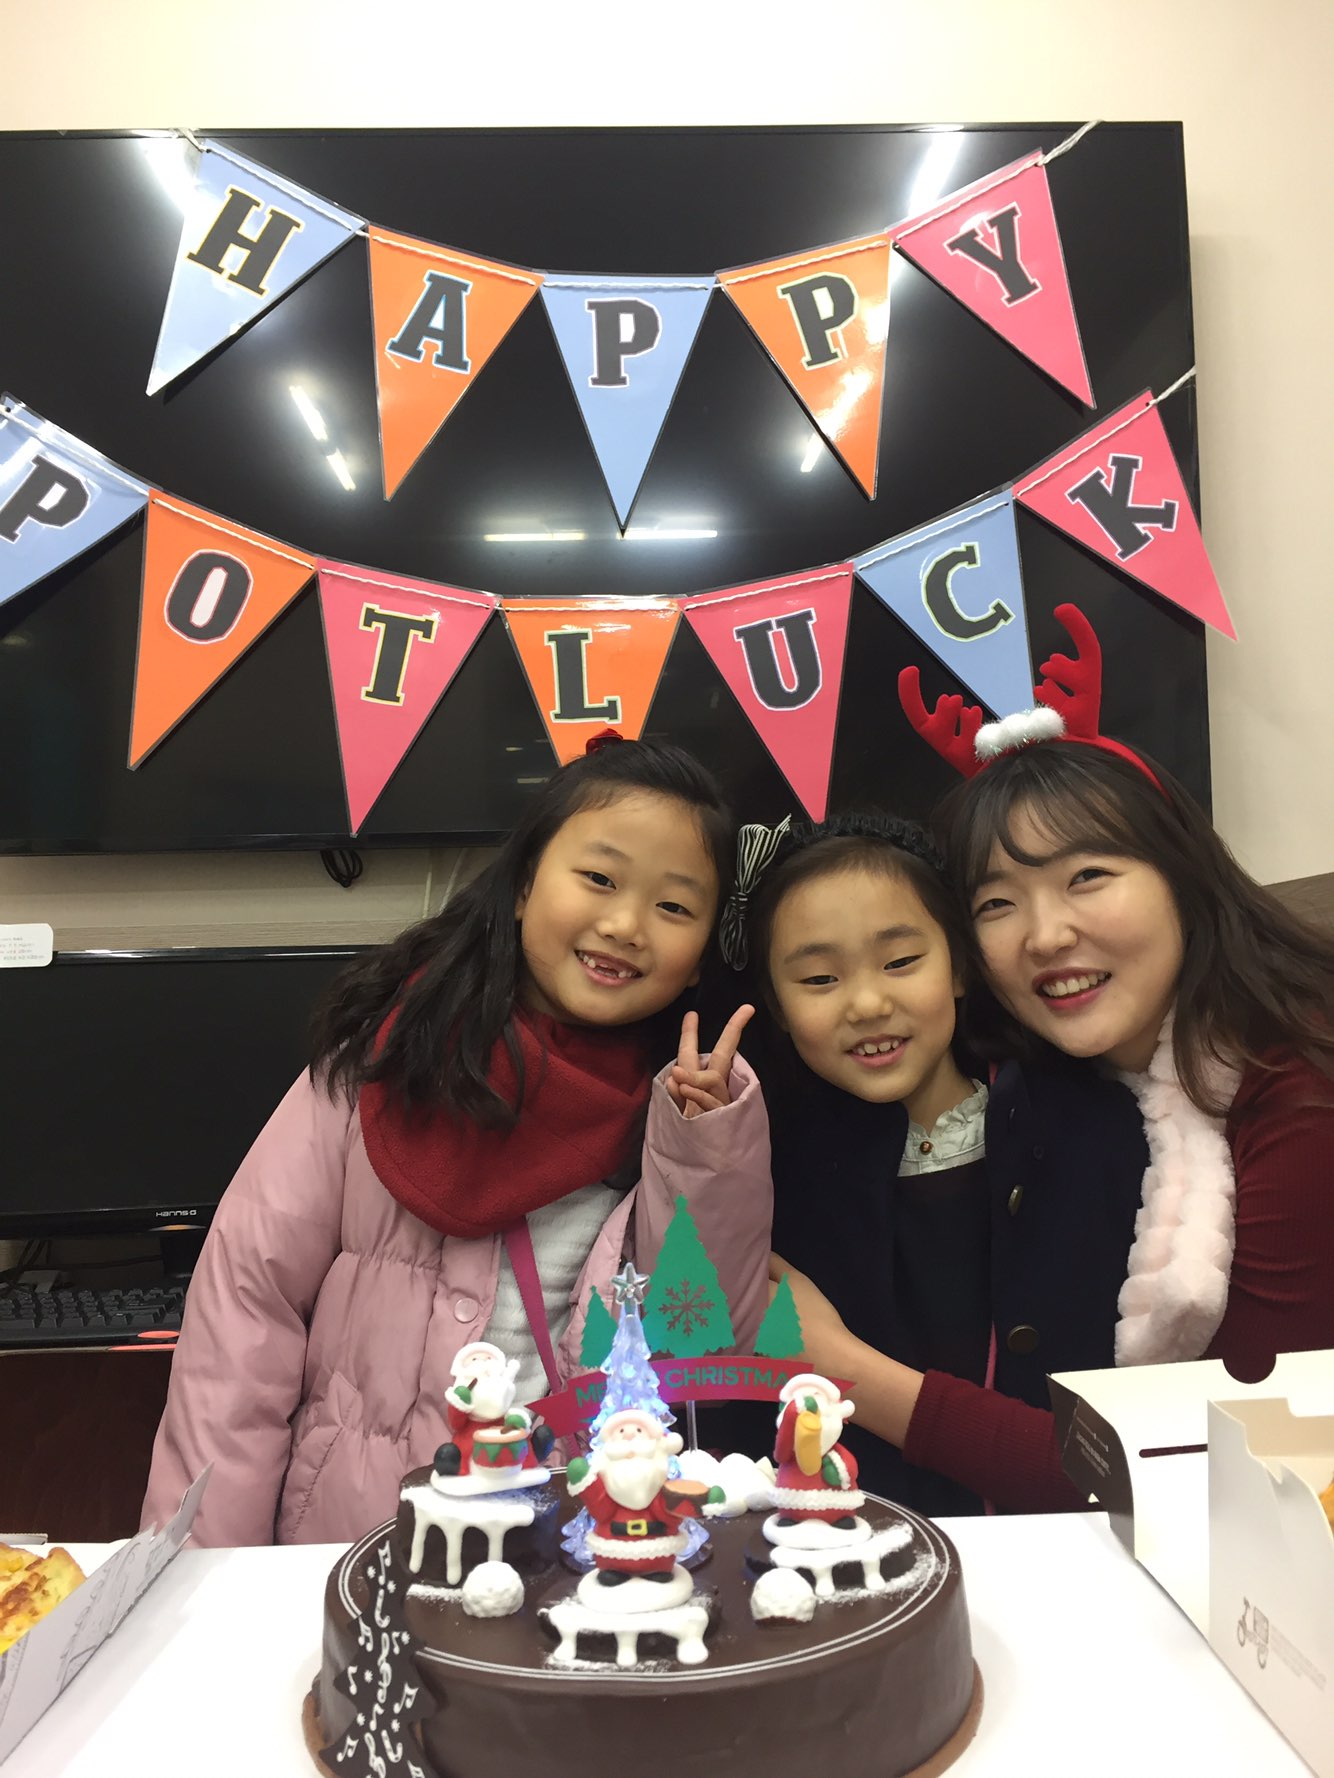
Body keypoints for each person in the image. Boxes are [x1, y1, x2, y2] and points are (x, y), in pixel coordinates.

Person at [141, 737, 766, 1546]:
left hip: (578, 1546)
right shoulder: (384, 1059)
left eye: (674, 907)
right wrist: (207, 1566)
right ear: (523, 885)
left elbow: (701, 1339)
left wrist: (701, 1145)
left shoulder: (687, 1109)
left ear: (701, 957)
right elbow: (243, 1315)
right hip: (365, 1540)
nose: (624, 925)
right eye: (599, 878)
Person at [803, 600, 1334, 1511]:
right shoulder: (1055, 1085)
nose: (1045, 935)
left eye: (1087, 876)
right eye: (997, 902)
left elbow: (1214, 1477)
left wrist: (840, 1368)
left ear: (1182, 875)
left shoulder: (1299, 1090)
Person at [710, 809, 1149, 1515]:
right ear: (778, 1009)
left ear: (960, 966)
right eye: (819, 979)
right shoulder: (772, 1172)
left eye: (901, 962)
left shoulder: (1087, 1128)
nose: (868, 1003)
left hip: (1067, 1539)